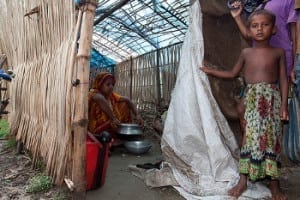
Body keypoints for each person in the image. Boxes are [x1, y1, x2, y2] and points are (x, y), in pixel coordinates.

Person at [201, 10, 288, 200]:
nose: (259, 29)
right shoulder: (246, 53)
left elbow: (283, 79)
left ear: (274, 29)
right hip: (251, 101)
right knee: (248, 140)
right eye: (255, 26)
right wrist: (210, 71)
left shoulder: (278, 53)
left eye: (265, 25)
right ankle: (243, 181)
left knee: (272, 141)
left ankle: (274, 184)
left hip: (272, 102)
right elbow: (232, 73)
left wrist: (283, 107)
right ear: (249, 30)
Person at [88, 72, 144, 143]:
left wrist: (137, 115)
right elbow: (100, 99)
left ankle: (123, 133)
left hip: (111, 124)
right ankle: (110, 138)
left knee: (124, 103)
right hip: (95, 129)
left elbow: (128, 100)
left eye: (112, 85)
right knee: (111, 118)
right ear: (100, 84)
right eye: (108, 84)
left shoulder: (110, 95)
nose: (111, 87)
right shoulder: (93, 93)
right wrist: (113, 118)